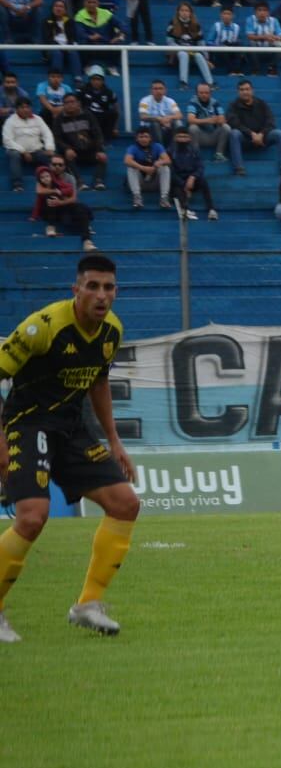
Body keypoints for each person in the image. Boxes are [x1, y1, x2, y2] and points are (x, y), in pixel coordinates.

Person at [0, 254, 140, 640]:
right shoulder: (42, 327)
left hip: (71, 429)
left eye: (108, 287)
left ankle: (88, 605)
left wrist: (114, 440)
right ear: (75, 289)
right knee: (32, 517)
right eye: (92, 286)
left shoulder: (112, 332)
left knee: (125, 504)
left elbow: (97, 383)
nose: (101, 295)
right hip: (26, 424)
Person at [225, 80, 281, 175]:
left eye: (247, 89)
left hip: (263, 138)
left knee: (280, 134)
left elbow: (270, 121)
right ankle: (239, 167)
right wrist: (251, 134)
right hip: (245, 139)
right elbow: (234, 123)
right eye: (242, 90)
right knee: (234, 133)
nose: (245, 92)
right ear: (238, 92)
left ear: (252, 90)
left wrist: (262, 134)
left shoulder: (261, 104)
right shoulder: (232, 106)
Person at [4, 98, 54, 192]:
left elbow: (47, 134)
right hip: (18, 152)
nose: (25, 109)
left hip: (36, 151)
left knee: (52, 157)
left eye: (27, 107)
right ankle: (17, 185)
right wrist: (23, 151)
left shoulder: (38, 119)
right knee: (14, 154)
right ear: (17, 109)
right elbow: (7, 140)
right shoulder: (10, 121)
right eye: (22, 107)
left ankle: (55, 182)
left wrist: (49, 147)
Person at [168, 128, 216, 220]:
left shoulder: (194, 150)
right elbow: (171, 172)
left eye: (185, 137)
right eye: (179, 137)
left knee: (203, 181)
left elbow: (200, 167)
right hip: (178, 181)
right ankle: (185, 210)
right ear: (175, 138)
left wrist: (193, 177)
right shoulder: (170, 151)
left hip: (191, 180)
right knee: (175, 187)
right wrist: (184, 185)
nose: (182, 139)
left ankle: (211, 209)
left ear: (189, 138)